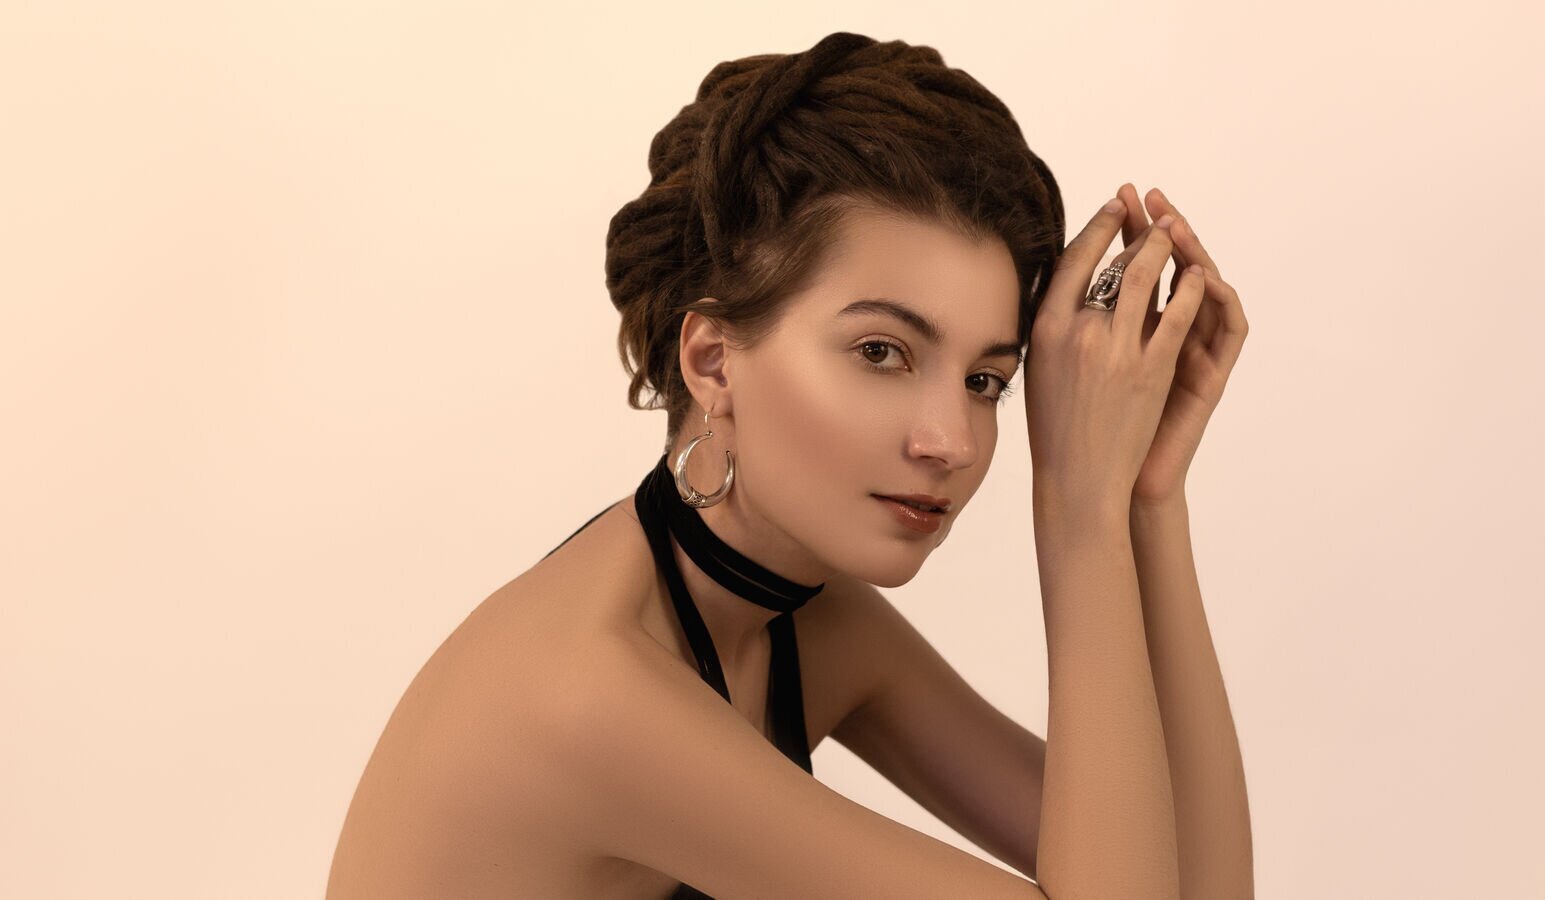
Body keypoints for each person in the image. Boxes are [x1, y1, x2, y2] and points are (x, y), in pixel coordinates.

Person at [328, 30, 1251, 899]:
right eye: (881, 352)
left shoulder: (807, 622)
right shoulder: (581, 693)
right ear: (713, 362)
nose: (953, 441)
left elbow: (1198, 888)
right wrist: (1080, 510)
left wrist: (1146, 494)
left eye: (985, 380)